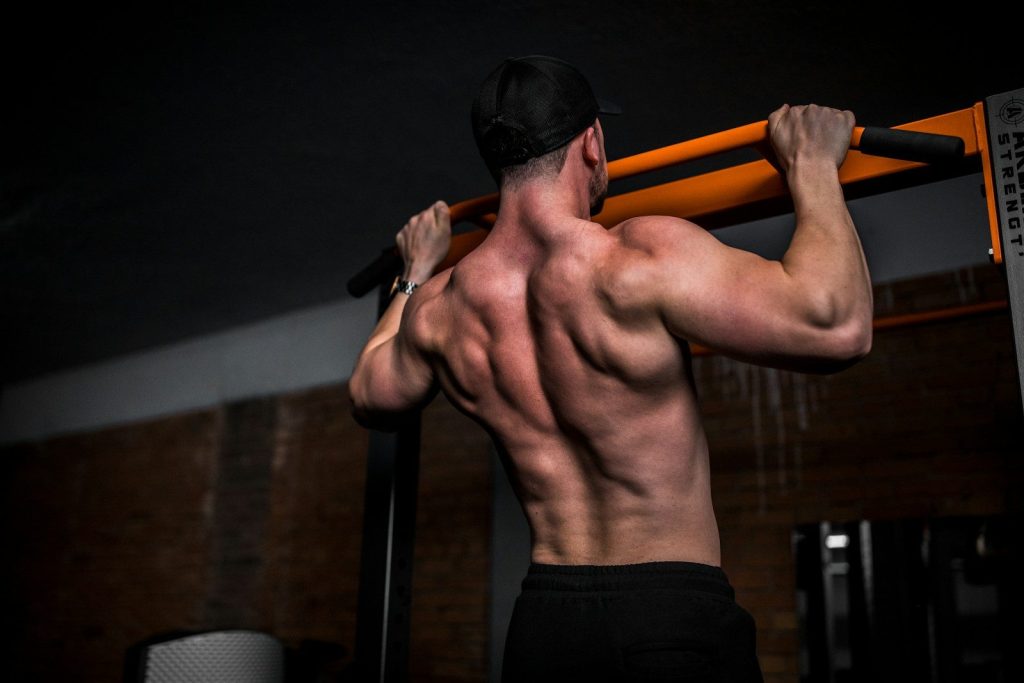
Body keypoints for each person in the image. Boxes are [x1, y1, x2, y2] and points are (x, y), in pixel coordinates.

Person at [349, 55, 873, 682]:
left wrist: (415, 272)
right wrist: (812, 165)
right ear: (592, 143)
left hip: (544, 628)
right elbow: (837, 326)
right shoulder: (633, 258)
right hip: (668, 617)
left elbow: (370, 393)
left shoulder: (442, 308)